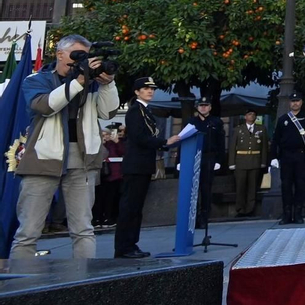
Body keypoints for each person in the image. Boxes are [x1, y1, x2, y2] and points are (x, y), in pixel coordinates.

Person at [10, 34, 121, 259]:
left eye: (85, 56)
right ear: (60, 54)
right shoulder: (36, 79)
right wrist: (78, 82)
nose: (81, 61)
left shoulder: (90, 82)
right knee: (28, 231)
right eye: (76, 55)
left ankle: (82, 283)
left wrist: (108, 84)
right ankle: (21, 289)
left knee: (83, 229)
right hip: (43, 159)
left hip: (83, 158)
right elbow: (45, 106)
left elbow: (107, 112)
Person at [117, 76, 186, 259]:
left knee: (137, 208)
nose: (150, 91)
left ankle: (132, 243)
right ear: (137, 92)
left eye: (152, 89)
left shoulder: (145, 110)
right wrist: (164, 142)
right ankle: (124, 246)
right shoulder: (135, 111)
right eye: (146, 89)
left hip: (143, 164)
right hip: (135, 165)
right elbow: (139, 137)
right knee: (130, 207)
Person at [270, 91, 305, 225]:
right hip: (286, 156)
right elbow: (276, 140)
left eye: (297, 101)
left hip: (301, 155)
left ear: (301, 102)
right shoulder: (283, 119)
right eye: (292, 101)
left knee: (300, 185)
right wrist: (273, 157)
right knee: (286, 186)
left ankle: (298, 214)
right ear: (289, 103)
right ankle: (287, 214)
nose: (295, 103)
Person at [190, 96, 226, 230]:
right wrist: (179, 161)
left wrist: (219, 161)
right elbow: (183, 140)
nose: (203, 108)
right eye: (201, 105)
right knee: (193, 190)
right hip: (194, 157)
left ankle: (204, 217)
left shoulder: (216, 122)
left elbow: (221, 143)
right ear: (197, 107)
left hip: (209, 157)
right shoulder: (192, 122)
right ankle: (192, 218)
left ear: (210, 107)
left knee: (206, 189)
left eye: (206, 105)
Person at [229, 108, 265, 216]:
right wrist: (231, 163)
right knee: (240, 187)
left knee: (252, 187)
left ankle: (250, 209)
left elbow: (263, 147)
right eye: (249, 114)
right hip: (241, 161)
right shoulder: (238, 129)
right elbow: (232, 147)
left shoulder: (261, 129)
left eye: (254, 114)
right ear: (245, 116)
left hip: (255, 161)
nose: (252, 116)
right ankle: (240, 209)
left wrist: (263, 162)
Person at [93, 122, 125, 227]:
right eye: (102, 135)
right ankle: (98, 218)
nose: (105, 137)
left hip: (114, 175)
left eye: (107, 135)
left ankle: (109, 218)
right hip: (100, 176)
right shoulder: (97, 144)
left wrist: (117, 142)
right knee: (99, 198)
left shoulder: (114, 144)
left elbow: (122, 152)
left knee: (111, 198)